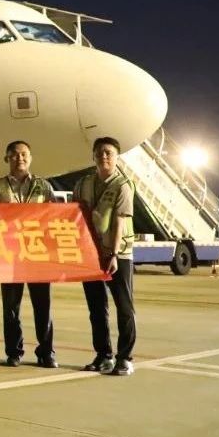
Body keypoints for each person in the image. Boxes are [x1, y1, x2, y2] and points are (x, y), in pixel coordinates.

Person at [0, 141, 58, 369]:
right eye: (15, 155)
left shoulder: (43, 186)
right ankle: (13, 352)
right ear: (7, 158)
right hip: (10, 256)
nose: (20, 158)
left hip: (38, 255)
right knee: (11, 308)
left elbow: (55, 217)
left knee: (43, 305)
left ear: (31, 157)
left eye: (24, 154)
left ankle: (46, 352)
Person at [76, 136, 137, 376]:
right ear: (93, 156)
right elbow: (75, 214)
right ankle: (104, 355)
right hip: (91, 254)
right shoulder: (84, 183)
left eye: (108, 153)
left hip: (118, 254)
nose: (104, 156)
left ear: (117, 156)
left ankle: (125, 358)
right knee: (96, 308)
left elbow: (120, 220)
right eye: (100, 152)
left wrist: (113, 253)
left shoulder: (123, 184)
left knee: (124, 307)